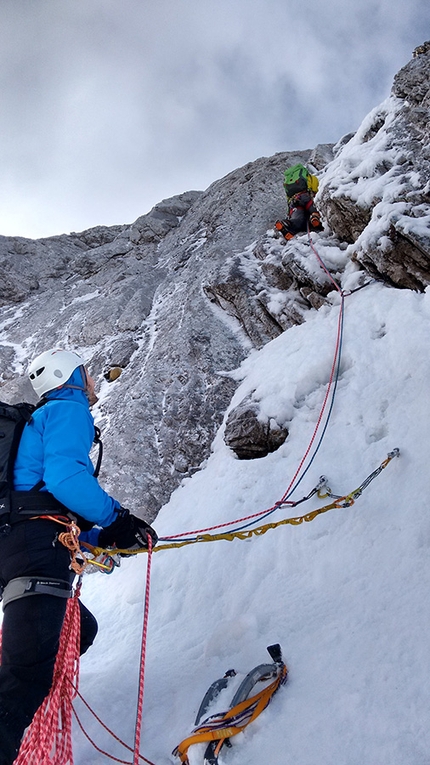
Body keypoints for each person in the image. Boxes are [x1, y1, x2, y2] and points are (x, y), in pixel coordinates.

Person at [0, 348, 157, 765]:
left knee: (79, 629)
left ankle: (23, 715)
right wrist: (118, 520)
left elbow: (38, 499)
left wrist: (97, 535)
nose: (91, 380)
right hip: (36, 550)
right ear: (68, 376)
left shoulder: (33, 423)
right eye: (85, 372)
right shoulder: (67, 409)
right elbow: (66, 478)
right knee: (25, 676)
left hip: (16, 545)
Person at [275, 171, 324, 241]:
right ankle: (315, 217)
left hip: (295, 201)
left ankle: (288, 225)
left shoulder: (291, 187)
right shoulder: (313, 178)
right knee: (315, 210)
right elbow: (316, 189)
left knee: (298, 220)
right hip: (308, 197)